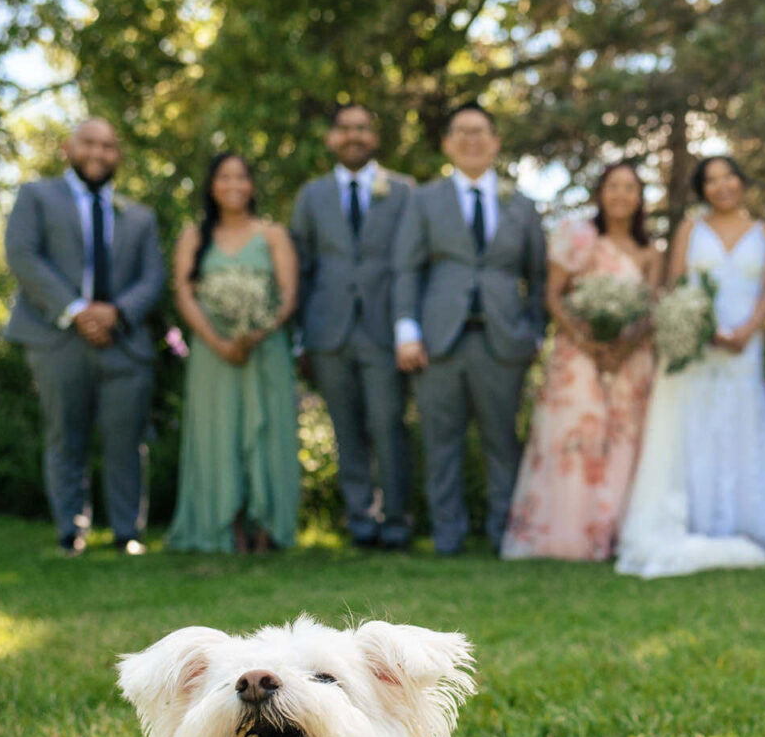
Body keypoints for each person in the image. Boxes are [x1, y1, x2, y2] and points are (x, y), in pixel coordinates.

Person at [617, 156, 765, 578]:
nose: (721, 186)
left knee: (742, 423)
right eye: (711, 180)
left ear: (741, 181)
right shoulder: (690, 228)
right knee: (692, 425)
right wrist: (701, 327)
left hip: (743, 347)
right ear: (702, 189)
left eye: (728, 176)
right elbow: (676, 285)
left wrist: (748, 330)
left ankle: (747, 524)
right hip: (695, 344)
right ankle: (696, 520)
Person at [1, 118, 165, 556]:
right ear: (68, 148)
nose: (98, 152)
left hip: (125, 342)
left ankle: (128, 532)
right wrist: (76, 311)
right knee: (64, 436)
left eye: (109, 146)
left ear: (119, 155)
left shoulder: (140, 216)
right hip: (56, 338)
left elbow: (153, 277)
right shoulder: (36, 196)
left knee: (127, 441)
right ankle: (70, 532)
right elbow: (22, 254)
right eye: (89, 143)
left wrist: (115, 313)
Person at [392, 102, 547, 555]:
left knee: (504, 442)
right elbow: (406, 269)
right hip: (438, 343)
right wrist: (407, 332)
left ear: (495, 142)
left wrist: (535, 332)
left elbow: (538, 277)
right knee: (441, 445)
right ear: (447, 143)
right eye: (461, 131)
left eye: (480, 131)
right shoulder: (424, 200)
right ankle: (447, 538)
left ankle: (505, 535)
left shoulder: (521, 204)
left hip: (503, 342)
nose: (471, 140)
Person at [501, 160, 659, 561]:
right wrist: (588, 342)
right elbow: (553, 296)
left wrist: (622, 347)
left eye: (630, 188)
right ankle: (566, 539)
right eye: (613, 186)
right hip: (578, 356)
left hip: (630, 360)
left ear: (640, 198)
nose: (621, 195)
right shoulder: (576, 235)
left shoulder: (648, 252)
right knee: (574, 441)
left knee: (624, 442)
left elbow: (651, 310)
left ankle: (614, 536)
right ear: (600, 193)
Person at [289, 103, 416, 550]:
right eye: (344, 129)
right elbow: (301, 269)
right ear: (331, 138)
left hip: (384, 330)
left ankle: (397, 522)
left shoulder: (403, 191)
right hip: (329, 332)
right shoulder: (312, 196)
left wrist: (409, 328)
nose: (353, 136)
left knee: (387, 425)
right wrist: (301, 338)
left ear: (374, 137)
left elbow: (411, 264)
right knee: (346, 430)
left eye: (362, 128)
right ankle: (360, 522)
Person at [165, 153, 303, 553]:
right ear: (211, 185)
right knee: (218, 432)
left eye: (241, 177)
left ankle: (268, 528)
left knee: (267, 434)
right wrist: (221, 341)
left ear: (252, 185)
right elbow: (185, 296)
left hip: (265, 349)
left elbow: (289, 295)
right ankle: (225, 527)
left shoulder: (272, 234)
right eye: (224, 177)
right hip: (213, 354)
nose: (233, 185)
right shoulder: (194, 235)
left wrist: (255, 332)